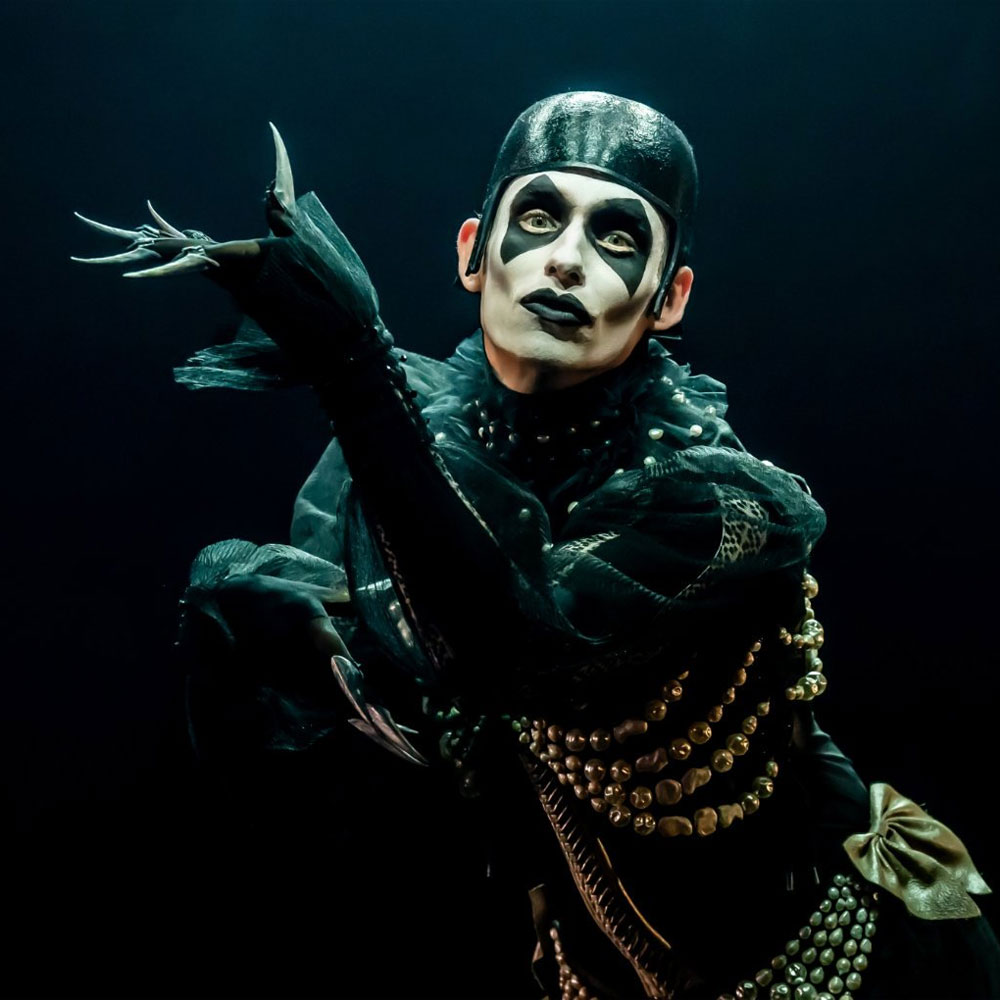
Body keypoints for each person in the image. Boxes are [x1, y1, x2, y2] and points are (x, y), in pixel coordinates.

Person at [75, 92, 999, 999]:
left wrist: (357, 371)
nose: (566, 259)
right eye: (540, 217)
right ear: (474, 254)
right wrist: (241, 601)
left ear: (669, 297)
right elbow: (393, 717)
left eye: (618, 236)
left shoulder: (720, 504)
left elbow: (523, 655)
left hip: (846, 972)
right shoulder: (402, 452)